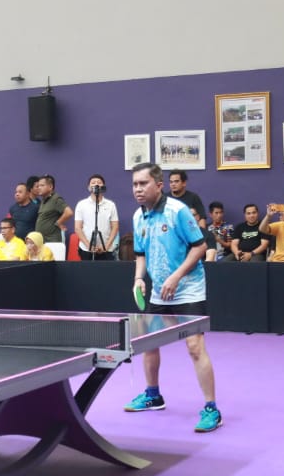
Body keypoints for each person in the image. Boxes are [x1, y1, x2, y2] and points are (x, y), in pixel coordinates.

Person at [125, 162, 221, 433]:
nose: (138, 189)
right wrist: (139, 278)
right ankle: (153, 395)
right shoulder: (138, 216)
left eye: (143, 183)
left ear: (159, 185)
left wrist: (176, 276)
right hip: (159, 291)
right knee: (149, 344)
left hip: (188, 288)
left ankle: (211, 409)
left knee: (194, 346)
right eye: (134, 184)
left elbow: (200, 246)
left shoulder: (177, 211)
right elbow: (140, 253)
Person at [73, 174, 120, 260]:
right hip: (86, 249)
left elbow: (115, 227)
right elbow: (77, 228)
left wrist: (106, 246)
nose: (96, 184)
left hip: (107, 249)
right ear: (89, 187)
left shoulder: (111, 205)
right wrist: (89, 246)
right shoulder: (81, 204)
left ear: (103, 186)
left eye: (99, 182)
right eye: (93, 183)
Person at [33, 175, 72, 245]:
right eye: (38, 186)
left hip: (53, 242)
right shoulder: (43, 200)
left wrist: (59, 222)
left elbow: (69, 212)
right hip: (43, 242)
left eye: (42, 185)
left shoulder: (56, 199)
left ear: (50, 187)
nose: (39, 188)